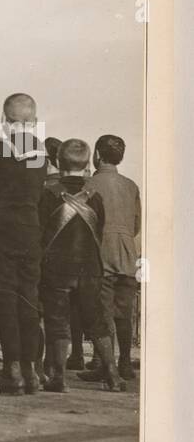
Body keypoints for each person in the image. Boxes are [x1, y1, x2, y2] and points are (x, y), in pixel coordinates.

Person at [0, 93, 48, 395]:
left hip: (2, 231)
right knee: (28, 301)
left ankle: (11, 371)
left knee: (5, 301)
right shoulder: (42, 153)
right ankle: (31, 372)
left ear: (3, 121)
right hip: (31, 232)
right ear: (35, 122)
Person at [36, 139, 120, 391]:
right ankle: (113, 375)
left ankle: (58, 377)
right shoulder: (96, 198)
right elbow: (99, 231)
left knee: (57, 320)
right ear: (86, 163)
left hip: (57, 269)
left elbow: (41, 234)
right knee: (96, 321)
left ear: (58, 162)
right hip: (90, 269)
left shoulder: (48, 195)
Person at [79, 134, 141, 384]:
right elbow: (136, 224)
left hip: (100, 254)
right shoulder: (131, 185)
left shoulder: (89, 184)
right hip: (126, 254)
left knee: (100, 313)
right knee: (123, 314)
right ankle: (125, 363)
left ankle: (106, 365)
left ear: (97, 155)